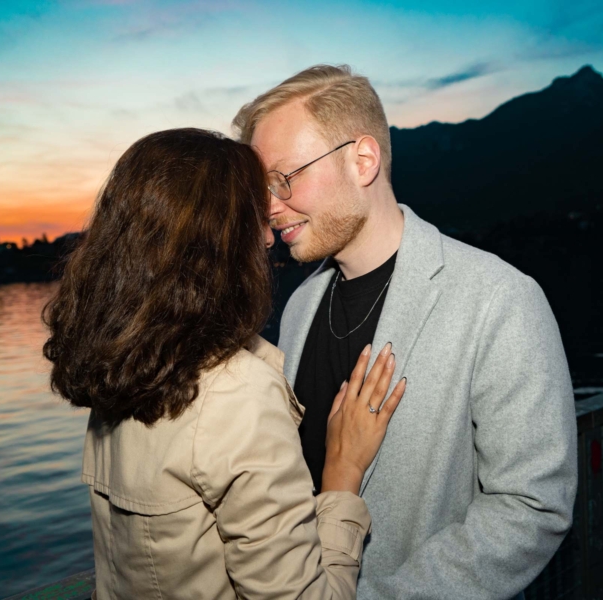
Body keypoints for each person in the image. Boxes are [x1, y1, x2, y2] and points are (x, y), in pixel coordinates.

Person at [233, 65, 578, 600]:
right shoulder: (299, 306)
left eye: (286, 177)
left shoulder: (499, 298)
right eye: (264, 188)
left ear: (362, 160)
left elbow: (533, 506)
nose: (271, 206)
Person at [42, 128, 406, 599]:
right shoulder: (237, 393)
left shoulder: (123, 368)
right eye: (256, 214)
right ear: (224, 239)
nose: (270, 236)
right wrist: (342, 476)